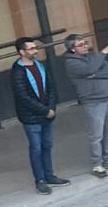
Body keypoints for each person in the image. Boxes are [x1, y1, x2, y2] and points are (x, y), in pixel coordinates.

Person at [11, 36, 69, 194]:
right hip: (31, 117)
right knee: (36, 148)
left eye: (35, 47)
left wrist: (51, 107)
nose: (35, 51)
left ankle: (49, 175)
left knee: (47, 145)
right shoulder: (18, 71)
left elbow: (50, 88)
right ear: (21, 52)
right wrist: (45, 110)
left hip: (46, 113)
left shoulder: (39, 66)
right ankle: (40, 180)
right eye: (31, 49)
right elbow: (23, 97)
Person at [62, 35, 108, 179]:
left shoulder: (92, 57)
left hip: (107, 97)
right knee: (96, 134)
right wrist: (102, 54)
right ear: (72, 49)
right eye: (81, 44)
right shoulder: (71, 63)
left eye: (85, 43)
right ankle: (97, 164)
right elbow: (88, 70)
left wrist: (94, 73)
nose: (85, 46)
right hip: (92, 101)